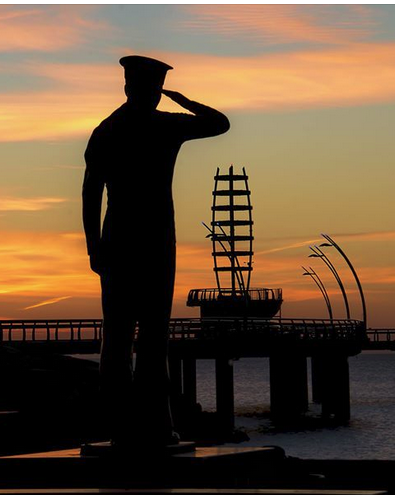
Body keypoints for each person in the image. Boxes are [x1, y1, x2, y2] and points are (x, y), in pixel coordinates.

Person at [83, 55, 230, 448]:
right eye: (153, 88)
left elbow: (90, 193)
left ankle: (124, 427)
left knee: (121, 336)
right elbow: (219, 123)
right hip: (154, 242)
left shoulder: (107, 130)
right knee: (149, 336)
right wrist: (183, 100)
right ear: (143, 89)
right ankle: (153, 426)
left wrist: (93, 246)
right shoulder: (163, 125)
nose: (151, 96)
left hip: (119, 241)